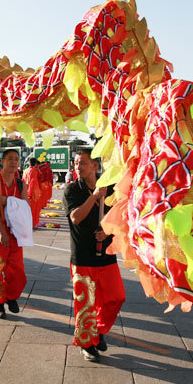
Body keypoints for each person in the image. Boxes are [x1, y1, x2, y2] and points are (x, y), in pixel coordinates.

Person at [65, 149, 126, 362]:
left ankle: (98, 330)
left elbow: (121, 217)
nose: (78, 167)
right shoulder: (72, 189)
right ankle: (87, 343)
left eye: (82, 163)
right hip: (82, 256)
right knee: (86, 304)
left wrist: (108, 232)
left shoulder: (111, 188)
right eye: (75, 163)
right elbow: (76, 217)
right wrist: (94, 196)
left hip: (106, 254)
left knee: (116, 297)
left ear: (95, 166)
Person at [0, 149, 28, 318]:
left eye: (16, 159)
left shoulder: (21, 184)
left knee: (17, 271)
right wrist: (2, 232)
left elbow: (26, 206)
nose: (14, 162)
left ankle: (11, 296)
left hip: (15, 231)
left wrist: (9, 200)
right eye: (10, 159)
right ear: (1, 161)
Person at [23, 157, 43, 229]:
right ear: (35, 164)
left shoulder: (25, 170)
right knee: (34, 210)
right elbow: (33, 182)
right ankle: (33, 224)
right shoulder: (34, 171)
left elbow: (23, 181)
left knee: (28, 209)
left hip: (26, 191)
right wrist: (30, 193)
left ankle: (27, 223)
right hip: (33, 193)